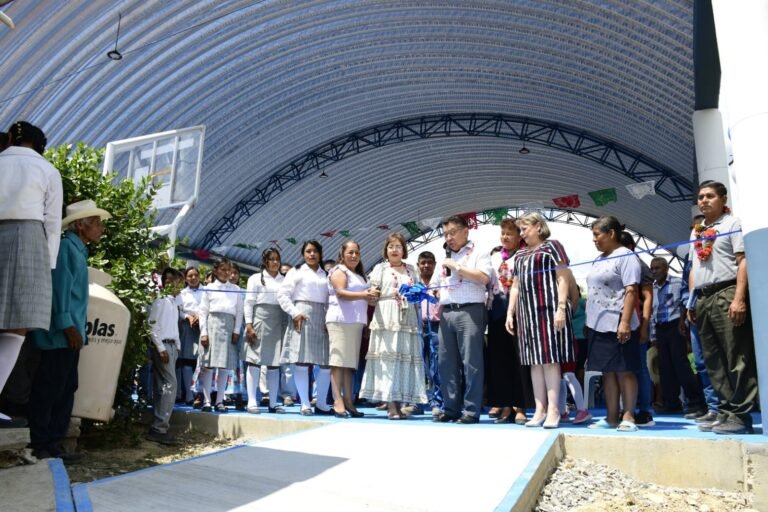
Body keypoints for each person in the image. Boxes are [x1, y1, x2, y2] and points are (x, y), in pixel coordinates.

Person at [28, 199, 110, 458]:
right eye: (95, 223)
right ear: (80, 226)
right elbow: (59, 290)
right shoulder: (67, 248)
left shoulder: (77, 249)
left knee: (64, 388)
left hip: (68, 335)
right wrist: (67, 326)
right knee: (51, 389)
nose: (100, 229)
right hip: (60, 335)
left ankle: (52, 443)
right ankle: (43, 444)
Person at [0, 121, 63, 428]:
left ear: (11, 138)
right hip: (29, 237)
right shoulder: (48, 170)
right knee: (18, 326)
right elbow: (53, 223)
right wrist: (47, 266)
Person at [688, 181, 756, 435]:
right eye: (701, 197)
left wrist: (739, 298)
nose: (704, 201)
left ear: (723, 199)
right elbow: (695, 268)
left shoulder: (732, 224)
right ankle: (724, 411)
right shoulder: (697, 231)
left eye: (710, 196)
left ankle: (740, 415)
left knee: (735, 356)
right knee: (713, 360)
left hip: (726, 292)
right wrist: (692, 300)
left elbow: (743, 261)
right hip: (703, 297)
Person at [505, 213, 576, 429]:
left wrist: (562, 307)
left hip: (549, 309)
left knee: (550, 359)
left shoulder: (552, 247)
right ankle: (540, 408)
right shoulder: (520, 255)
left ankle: (555, 409)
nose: (522, 232)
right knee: (534, 362)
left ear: (538, 226)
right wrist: (510, 312)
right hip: (527, 314)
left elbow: (563, 277)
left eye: (525, 227)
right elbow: (515, 286)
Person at [360, 234, 427, 419]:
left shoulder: (411, 270)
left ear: (403, 250)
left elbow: (419, 292)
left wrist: (417, 293)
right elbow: (371, 292)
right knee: (388, 361)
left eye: (398, 246)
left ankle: (400, 402)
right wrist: (372, 293)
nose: (394, 250)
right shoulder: (380, 269)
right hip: (386, 315)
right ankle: (390, 404)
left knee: (403, 359)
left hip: (407, 317)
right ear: (386, 250)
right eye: (391, 246)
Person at [585, 216, 641, 432]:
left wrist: (625, 322)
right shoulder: (598, 259)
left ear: (611, 233)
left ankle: (628, 416)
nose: (594, 239)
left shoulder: (626, 256)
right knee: (607, 371)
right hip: (598, 324)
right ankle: (610, 417)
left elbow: (631, 290)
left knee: (625, 370)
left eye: (597, 234)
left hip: (619, 321)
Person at [434, 216, 492, 424]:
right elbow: (436, 284)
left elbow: (484, 278)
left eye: (452, 233)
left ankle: (471, 410)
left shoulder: (479, 252)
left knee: (471, 362)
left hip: (470, 311)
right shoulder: (446, 258)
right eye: (445, 234)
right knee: (446, 362)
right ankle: (450, 408)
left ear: (465, 232)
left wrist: (458, 268)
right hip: (446, 311)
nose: (448, 238)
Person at [278, 241, 332, 416]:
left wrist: (329, 317)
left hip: (323, 315)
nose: (312, 254)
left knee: (325, 363)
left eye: (315, 251)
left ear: (320, 254)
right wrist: (295, 313)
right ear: (303, 254)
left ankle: (322, 402)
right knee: (302, 361)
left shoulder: (326, 274)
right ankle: (305, 403)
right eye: (308, 251)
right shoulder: (296, 271)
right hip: (302, 315)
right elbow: (282, 295)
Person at [326, 240, 377, 418]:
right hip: (340, 321)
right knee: (338, 363)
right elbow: (340, 292)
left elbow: (361, 297)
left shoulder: (359, 275)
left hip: (355, 323)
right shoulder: (339, 271)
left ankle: (349, 400)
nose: (354, 256)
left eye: (356, 252)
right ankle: (337, 400)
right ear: (342, 254)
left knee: (349, 365)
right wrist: (364, 295)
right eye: (350, 252)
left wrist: (369, 298)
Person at [649, 257, 705, 416]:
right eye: (652, 268)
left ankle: (695, 401)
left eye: (657, 268)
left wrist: (683, 323)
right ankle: (672, 403)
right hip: (660, 329)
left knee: (681, 365)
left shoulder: (677, 282)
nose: (654, 271)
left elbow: (683, 303)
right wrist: (653, 336)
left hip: (675, 327)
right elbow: (653, 313)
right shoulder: (652, 287)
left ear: (666, 268)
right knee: (665, 367)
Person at [487, 218, 530, 424]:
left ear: (519, 236)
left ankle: (519, 406)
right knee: (499, 361)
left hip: (519, 314)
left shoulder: (525, 254)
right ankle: (504, 404)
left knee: (518, 360)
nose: (505, 237)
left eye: (509, 233)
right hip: (496, 313)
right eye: (502, 233)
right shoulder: (494, 256)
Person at [243, 248, 289, 414]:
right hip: (260, 320)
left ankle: (273, 402)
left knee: (274, 363)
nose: (275, 262)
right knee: (254, 360)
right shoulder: (255, 279)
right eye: (271, 259)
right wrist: (249, 325)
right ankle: (252, 401)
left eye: (277, 259)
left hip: (279, 321)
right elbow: (248, 302)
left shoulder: (285, 279)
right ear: (265, 261)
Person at [618, 232, 655, 427]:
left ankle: (645, 411)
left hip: (637, 322)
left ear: (632, 246)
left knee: (640, 368)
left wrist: (644, 326)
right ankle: (625, 408)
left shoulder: (639, 265)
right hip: (617, 324)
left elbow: (648, 297)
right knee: (624, 368)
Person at [197, 258, 243, 413]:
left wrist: (236, 331)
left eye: (228, 270)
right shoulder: (209, 288)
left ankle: (219, 400)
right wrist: (204, 332)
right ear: (216, 271)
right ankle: (207, 400)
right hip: (212, 326)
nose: (226, 273)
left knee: (224, 366)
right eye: (223, 269)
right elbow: (203, 312)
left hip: (228, 327)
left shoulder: (236, 289)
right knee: (209, 365)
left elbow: (239, 312)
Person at [146, 267, 184, 445]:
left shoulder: (173, 302)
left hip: (171, 346)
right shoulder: (160, 300)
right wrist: (160, 348)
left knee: (163, 386)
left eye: (178, 282)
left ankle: (158, 426)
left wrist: (177, 345)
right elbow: (152, 326)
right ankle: (159, 427)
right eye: (171, 282)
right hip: (163, 346)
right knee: (170, 384)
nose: (176, 286)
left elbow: (173, 327)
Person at [415, 251, 443, 418]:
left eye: (429, 263)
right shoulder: (414, 285)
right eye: (423, 263)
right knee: (418, 365)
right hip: (417, 327)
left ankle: (436, 402)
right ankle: (417, 402)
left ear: (435, 264)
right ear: (418, 265)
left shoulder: (440, 282)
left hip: (436, 326)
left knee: (436, 365)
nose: (426, 266)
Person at [177, 266, 202, 405]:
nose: (193, 278)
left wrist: (200, 316)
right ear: (186, 278)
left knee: (200, 362)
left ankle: (199, 394)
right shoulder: (182, 293)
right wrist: (188, 316)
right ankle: (188, 394)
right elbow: (179, 311)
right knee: (187, 361)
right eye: (190, 276)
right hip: (187, 327)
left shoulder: (207, 291)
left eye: (195, 275)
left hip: (203, 327)